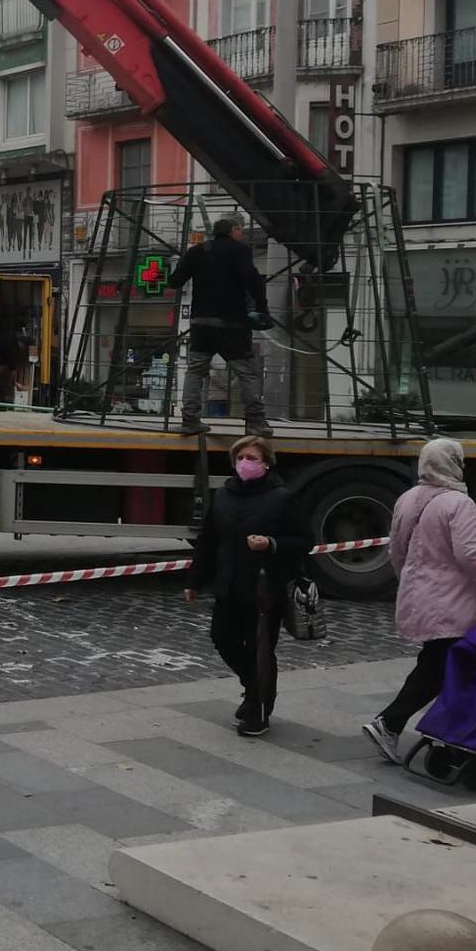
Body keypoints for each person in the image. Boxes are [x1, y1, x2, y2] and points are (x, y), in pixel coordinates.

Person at [362, 438, 476, 763]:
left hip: (419, 597)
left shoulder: (407, 498)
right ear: (453, 463)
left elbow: (396, 552)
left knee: (439, 664)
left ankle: (442, 735)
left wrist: (413, 583)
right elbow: (471, 556)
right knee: (444, 668)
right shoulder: (459, 504)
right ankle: (393, 723)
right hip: (451, 602)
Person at [188, 435, 307, 736]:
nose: (245, 463)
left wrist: (271, 543)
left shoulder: (282, 497)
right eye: (240, 458)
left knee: (260, 650)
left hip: (264, 590)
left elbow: (305, 541)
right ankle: (255, 687)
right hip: (228, 586)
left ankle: (259, 710)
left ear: (266, 463)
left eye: (252, 458)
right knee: (222, 638)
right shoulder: (224, 495)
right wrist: (195, 581)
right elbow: (208, 541)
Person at [169, 216, 272, 436]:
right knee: (247, 373)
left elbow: (175, 281)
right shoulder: (240, 251)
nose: (242, 234)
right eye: (241, 230)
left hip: (200, 323)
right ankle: (255, 422)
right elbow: (252, 280)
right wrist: (262, 308)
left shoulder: (197, 252)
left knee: (195, 371)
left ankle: (190, 420)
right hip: (232, 324)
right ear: (233, 230)